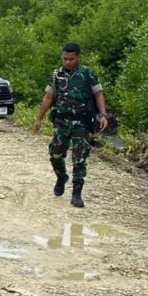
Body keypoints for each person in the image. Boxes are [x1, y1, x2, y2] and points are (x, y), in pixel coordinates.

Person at [32, 42, 108, 208]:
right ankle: (61, 177)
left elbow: (99, 94)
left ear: (79, 57)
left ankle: (76, 193)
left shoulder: (88, 74)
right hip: (61, 121)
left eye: (71, 59)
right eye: (65, 58)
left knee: (79, 158)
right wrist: (39, 118)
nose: (67, 62)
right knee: (55, 154)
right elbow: (48, 97)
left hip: (81, 122)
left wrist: (102, 115)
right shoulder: (56, 75)